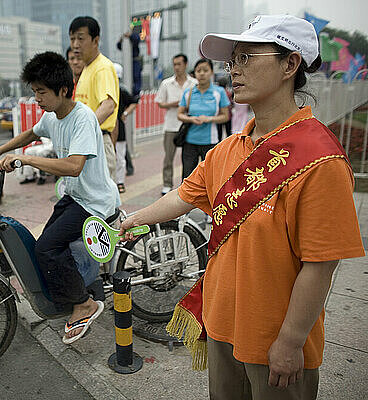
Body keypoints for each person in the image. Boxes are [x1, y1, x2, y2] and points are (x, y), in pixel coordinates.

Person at [120, 15, 364, 399]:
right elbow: (184, 196)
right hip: (220, 327)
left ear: (290, 64)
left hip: (275, 342)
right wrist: (135, 219)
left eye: (247, 57)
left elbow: (321, 264)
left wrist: (290, 341)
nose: (233, 69)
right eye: (232, 60)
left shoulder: (321, 161)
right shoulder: (228, 150)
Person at [0, 52, 120, 344]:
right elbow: (29, 134)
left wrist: (27, 161)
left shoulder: (82, 118)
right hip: (76, 196)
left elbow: (74, 166)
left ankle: (84, 304)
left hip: (95, 201)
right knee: (42, 246)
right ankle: (72, 293)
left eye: (42, 92)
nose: (37, 98)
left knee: (48, 247)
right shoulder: (53, 115)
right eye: (34, 92)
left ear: (63, 90)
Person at [70, 16, 120, 182]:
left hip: (98, 141)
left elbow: (108, 106)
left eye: (81, 38)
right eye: (72, 39)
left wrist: (83, 130)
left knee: (103, 203)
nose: (75, 44)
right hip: (89, 141)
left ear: (95, 40)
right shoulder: (87, 68)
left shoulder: (102, 68)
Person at [177, 58, 230, 181]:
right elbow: (180, 114)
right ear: (194, 73)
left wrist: (209, 119)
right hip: (190, 142)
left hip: (211, 142)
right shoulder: (189, 92)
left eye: (205, 70)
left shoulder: (219, 92)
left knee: (211, 177)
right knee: (187, 177)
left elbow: (225, 116)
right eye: (198, 70)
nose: (201, 73)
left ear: (211, 72)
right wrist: (191, 119)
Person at [155, 54, 197, 194]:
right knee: (168, 157)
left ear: (185, 64)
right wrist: (173, 104)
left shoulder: (194, 83)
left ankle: (188, 185)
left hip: (190, 126)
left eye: (179, 64)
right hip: (171, 125)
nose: (177, 67)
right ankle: (167, 184)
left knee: (189, 159)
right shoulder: (166, 83)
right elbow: (160, 102)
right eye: (175, 64)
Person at [112, 63, 138, 193]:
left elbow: (134, 102)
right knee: (109, 157)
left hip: (119, 127)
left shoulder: (121, 91)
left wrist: (125, 113)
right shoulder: (103, 90)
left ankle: (120, 182)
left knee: (120, 157)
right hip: (106, 128)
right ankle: (111, 182)